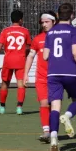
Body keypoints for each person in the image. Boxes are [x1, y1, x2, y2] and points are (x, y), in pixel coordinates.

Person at [43, 3, 76, 151]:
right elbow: (75, 52)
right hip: (70, 72)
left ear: (57, 16)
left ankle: (53, 137)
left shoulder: (50, 33)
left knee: (55, 106)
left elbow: (45, 56)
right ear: (72, 16)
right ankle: (68, 116)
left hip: (53, 74)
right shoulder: (74, 30)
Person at [24, 10, 57, 142]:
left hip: (56, 78)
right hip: (41, 78)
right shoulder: (37, 39)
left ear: (54, 22)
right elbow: (30, 56)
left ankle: (53, 130)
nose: (44, 24)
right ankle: (46, 132)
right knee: (44, 103)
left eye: (47, 22)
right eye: (42, 22)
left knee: (53, 105)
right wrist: (25, 74)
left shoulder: (59, 37)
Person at [0, 9, 32, 115]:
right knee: (21, 84)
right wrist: (25, 55)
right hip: (20, 60)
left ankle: (2, 107)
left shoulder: (5, 31)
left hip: (8, 60)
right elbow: (28, 47)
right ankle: (19, 107)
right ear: (20, 20)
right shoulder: (25, 31)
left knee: (5, 83)